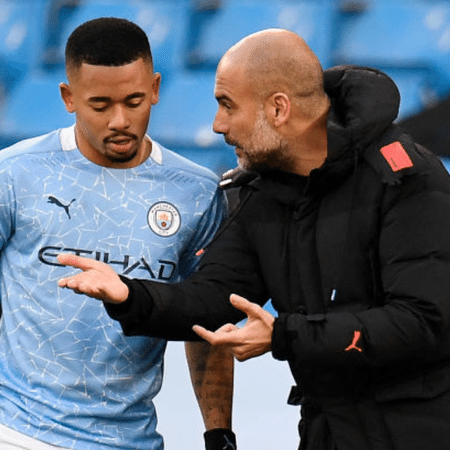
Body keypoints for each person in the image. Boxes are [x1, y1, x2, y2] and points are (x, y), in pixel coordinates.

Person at [58, 28, 450, 450]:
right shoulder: (259, 193)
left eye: (227, 105)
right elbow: (211, 301)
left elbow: (424, 323)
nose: (217, 125)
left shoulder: (406, 178)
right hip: (327, 431)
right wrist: (130, 295)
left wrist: (286, 335)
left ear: (278, 109)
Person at [0, 17, 236, 450]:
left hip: (131, 441)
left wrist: (219, 432)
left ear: (157, 89)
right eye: (101, 104)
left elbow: (205, 321)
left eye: (134, 100)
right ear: (69, 98)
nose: (120, 120)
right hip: (18, 434)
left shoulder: (198, 193)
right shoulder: (14, 175)